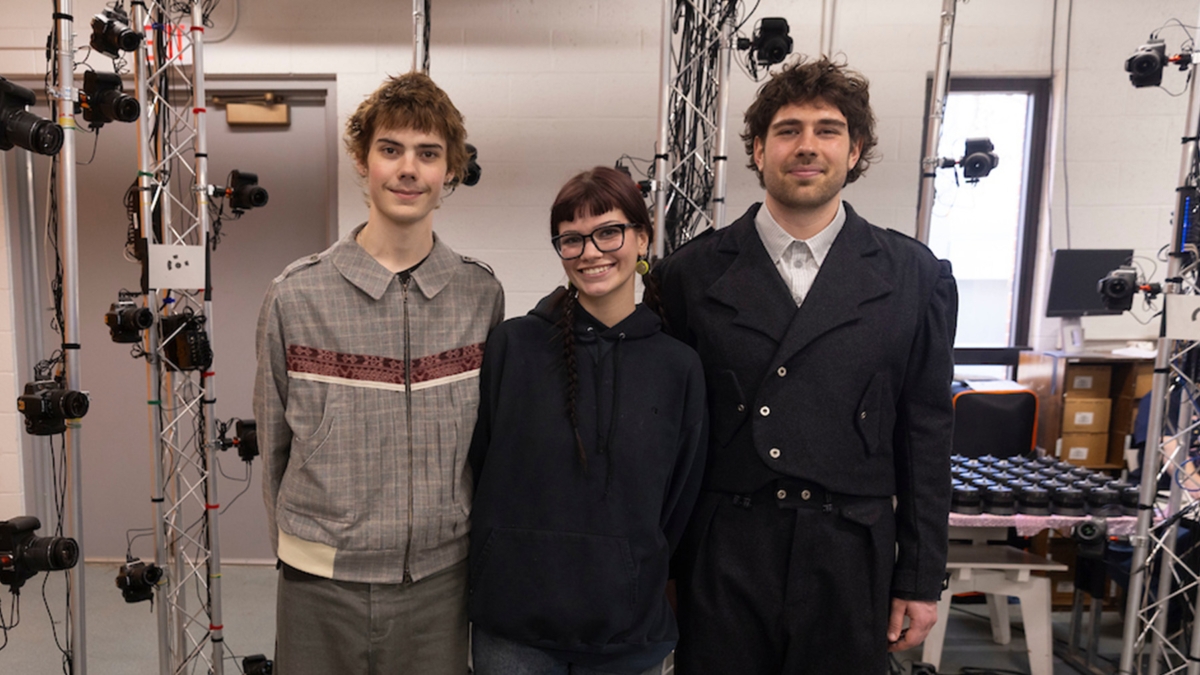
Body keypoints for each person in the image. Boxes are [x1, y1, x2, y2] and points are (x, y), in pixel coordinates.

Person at [655, 55, 958, 674]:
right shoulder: (689, 275)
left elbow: (926, 433)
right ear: (759, 149)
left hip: (851, 552)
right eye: (789, 130)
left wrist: (922, 577)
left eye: (828, 129)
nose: (807, 146)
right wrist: (657, 565)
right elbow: (666, 437)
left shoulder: (914, 277)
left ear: (855, 150)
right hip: (723, 550)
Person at [253, 72, 504, 675]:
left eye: (428, 153)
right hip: (320, 586)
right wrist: (303, 549)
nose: (408, 169)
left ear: (450, 171)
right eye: (391, 149)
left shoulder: (479, 294)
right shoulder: (296, 296)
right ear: (363, 161)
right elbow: (273, 447)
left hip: (441, 583)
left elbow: (488, 446)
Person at [467, 166, 707, 675]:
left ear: (642, 239)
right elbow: (482, 464)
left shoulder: (677, 367)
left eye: (608, 232)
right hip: (514, 628)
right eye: (571, 239)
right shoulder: (513, 346)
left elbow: (680, 500)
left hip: (626, 632)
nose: (591, 252)